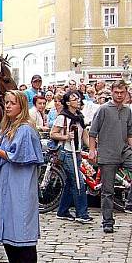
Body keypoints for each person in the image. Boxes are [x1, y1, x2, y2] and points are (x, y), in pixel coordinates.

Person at [0, 90, 44, 263]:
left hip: (20, 185)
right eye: (6, 102)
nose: (8, 106)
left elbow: (17, 155)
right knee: (8, 222)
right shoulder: (7, 128)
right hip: (6, 184)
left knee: (21, 224)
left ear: (22, 106)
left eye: (12, 103)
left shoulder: (25, 129)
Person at [88, 80, 132, 233]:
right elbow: (93, 132)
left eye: (122, 92)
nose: (119, 95)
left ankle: (129, 201)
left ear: (126, 92)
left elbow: (130, 133)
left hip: (124, 151)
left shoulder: (127, 111)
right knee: (108, 190)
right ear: (112, 92)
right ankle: (108, 221)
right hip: (107, 154)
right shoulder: (103, 109)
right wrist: (92, 150)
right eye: (116, 92)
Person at [51, 91, 91, 223]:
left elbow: (84, 134)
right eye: (74, 99)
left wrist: (91, 148)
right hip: (67, 152)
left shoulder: (79, 116)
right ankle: (82, 213)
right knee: (78, 182)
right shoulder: (62, 117)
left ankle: (62, 211)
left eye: (78, 98)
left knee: (70, 182)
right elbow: (53, 133)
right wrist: (66, 136)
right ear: (68, 102)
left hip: (77, 152)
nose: (78, 101)